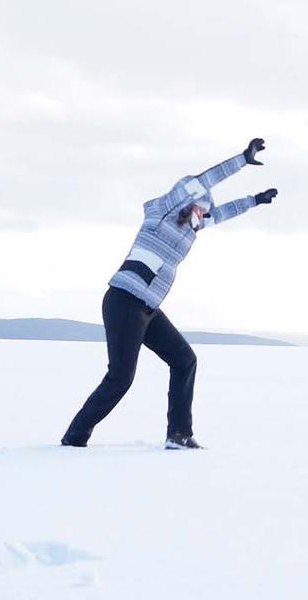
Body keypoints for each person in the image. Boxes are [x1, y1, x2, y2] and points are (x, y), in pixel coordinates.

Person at [61, 139, 278, 450]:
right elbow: (204, 181)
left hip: (147, 308)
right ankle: (74, 437)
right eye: (200, 208)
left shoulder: (192, 227)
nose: (202, 215)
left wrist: (255, 200)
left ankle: (179, 434)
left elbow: (222, 213)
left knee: (184, 359)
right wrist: (242, 160)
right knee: (121, 378)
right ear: (187, 201)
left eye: (204, 212)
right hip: (123, 299)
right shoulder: (160, 212)